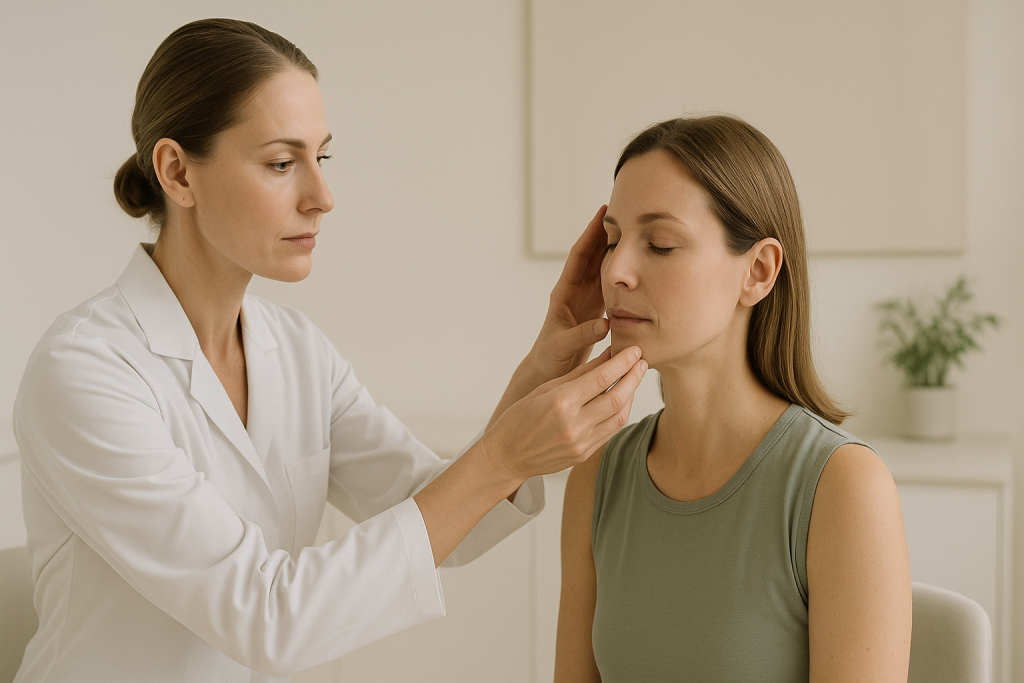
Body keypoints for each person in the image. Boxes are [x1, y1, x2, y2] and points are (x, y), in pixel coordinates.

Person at [12, 18, 647, 682]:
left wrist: (544, 365)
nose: (322, 197)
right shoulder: (84, 371)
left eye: (323, 157)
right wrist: (502, 455)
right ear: (177, 172)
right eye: (282, 163)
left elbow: (433, 508)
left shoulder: (295, 350)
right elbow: (267, 618)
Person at [553, 116, 912, 682]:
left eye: (661, 243)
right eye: (614, 240)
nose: (616, 271)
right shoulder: (597, 476)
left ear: (759, 271)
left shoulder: (842, 487)